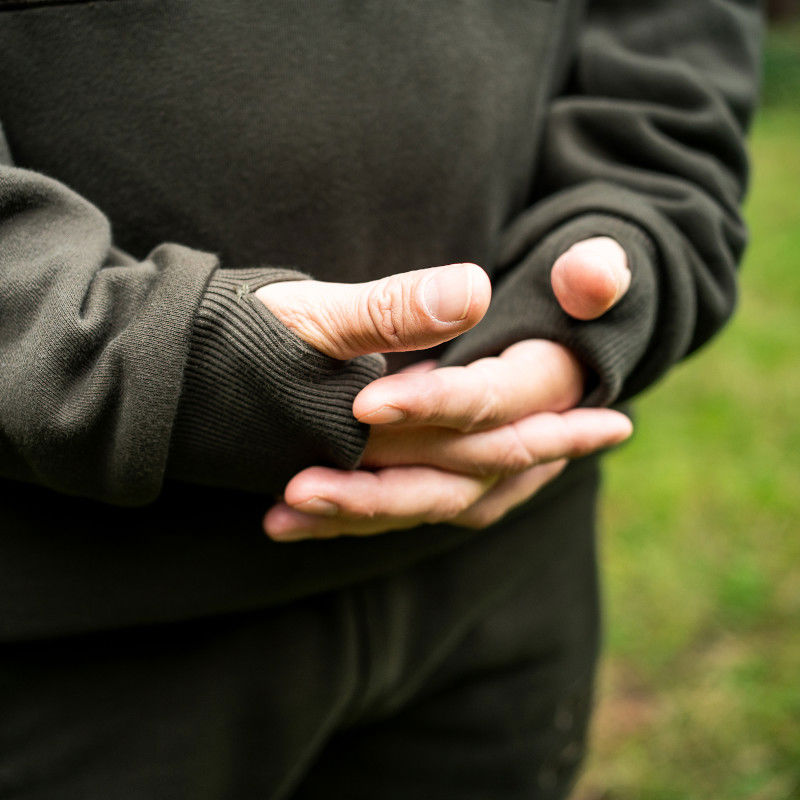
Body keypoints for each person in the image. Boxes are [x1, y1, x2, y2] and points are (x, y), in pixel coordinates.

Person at [0, 2, 760, 798]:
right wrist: (165, 360)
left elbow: (679, 47)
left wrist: (633, 238)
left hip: (506, 575)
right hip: (73, 632)